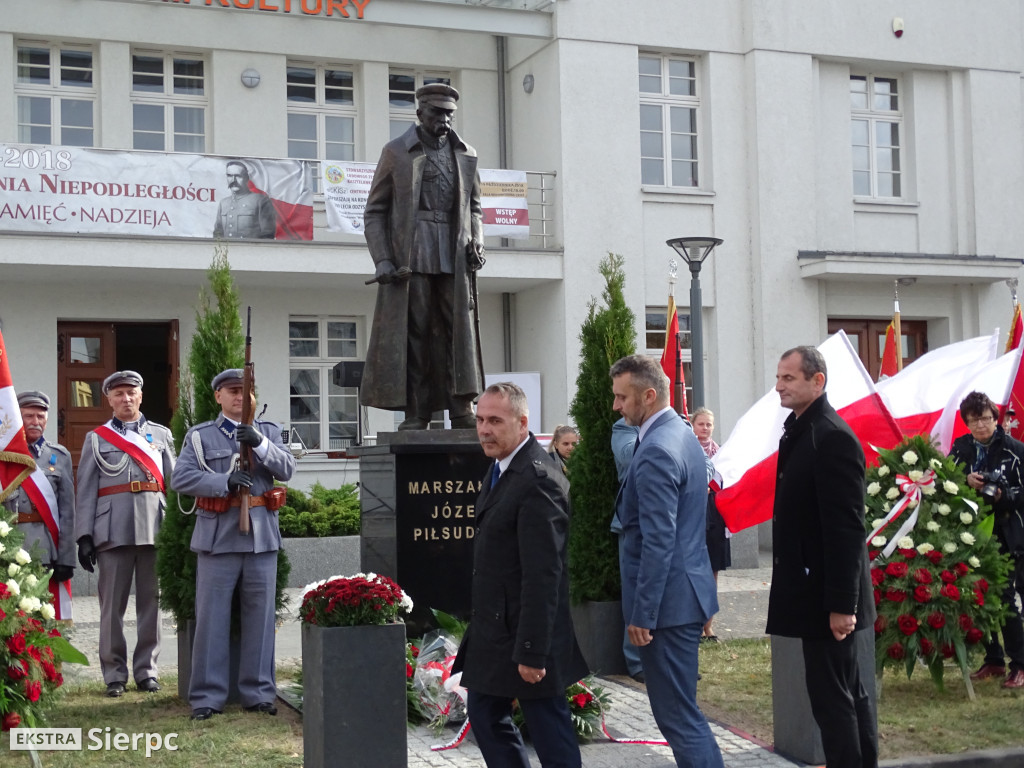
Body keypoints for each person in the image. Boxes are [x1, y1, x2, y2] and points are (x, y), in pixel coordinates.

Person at [453, 382, 588, 768]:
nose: (484, 430)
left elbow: (544, 575)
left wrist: (532, 650)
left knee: (549, 728)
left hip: (526, 634)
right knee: (485, 713)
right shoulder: (500, 469)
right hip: (495, 630)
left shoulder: (538, 481)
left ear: (522, 422)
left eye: (495, 420)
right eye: (480, 420)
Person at [610, 355, 723, 768]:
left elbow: (660, 540)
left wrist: (644, 613)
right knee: (681, 712)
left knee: (678, 715)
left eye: (623, 397)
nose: (617, 406)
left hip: (667, 607)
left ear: (649, 394)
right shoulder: (679, 432)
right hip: (683, 595)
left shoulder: (658, 447)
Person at [766, 346, 878, 768]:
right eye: (778, 378)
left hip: (828, 599)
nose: (779, 386)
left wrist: (841, 605)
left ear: (818, 381)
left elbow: (846, 529)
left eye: (789, 378)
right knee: (844, 694)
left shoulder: (831, 437)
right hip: (814, 593)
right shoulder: (800, 430)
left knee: (837, 702)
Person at [170, 369, 296, 720]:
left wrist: (259, 442)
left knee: (260, 618)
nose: (240, 397)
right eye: (233, 391)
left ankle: (258, 692)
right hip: (218, 538)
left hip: (261, 538)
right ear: (218, 397)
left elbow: (287, 468)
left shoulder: (268, 431)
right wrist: (222, 481)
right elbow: (180, 477)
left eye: (247, 390)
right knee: (211, 620)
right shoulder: (201, 436)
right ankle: (207, 697)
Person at [361, 83, 485, 430]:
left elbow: (475, 207)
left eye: (449, 114)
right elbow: (374, 211)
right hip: (411, 255)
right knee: (414, 333)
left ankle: (462, 407)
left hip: (453, 253)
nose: (444, 120)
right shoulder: (396, 152)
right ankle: (418, 411)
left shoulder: (466, 153)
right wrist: (383, 259)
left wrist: (477, 240)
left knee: (456, 330)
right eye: (437, 113)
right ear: (420, 114)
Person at [75, 371, 175, 697]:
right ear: (109, 399)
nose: (126, 399)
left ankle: (147, 670)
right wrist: (84, 536)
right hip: (112, 530)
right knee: (110, 609)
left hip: (154, 529)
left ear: (141, 396)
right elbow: (87, 490)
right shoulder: (96, 438)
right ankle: (114, 673)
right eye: (118, 394)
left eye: (131, 392)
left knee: (152, 604)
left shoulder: (160, 436)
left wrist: (177, 530)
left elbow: (173, 486)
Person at [949, 391, 1024, 689]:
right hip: (970, 533)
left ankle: (1019, 663)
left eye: (985, 419)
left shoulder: (1015, 449)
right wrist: (963, 480)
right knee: (978, 596)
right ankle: (992, 659)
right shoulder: (961, 448)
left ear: (995, 418)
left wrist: (1006, 495)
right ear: (966, 423)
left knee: (1005, 598)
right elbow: (945, 481)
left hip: (1006, 533)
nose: (980, 425)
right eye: (973, 420)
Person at [2, 391, 75, 617]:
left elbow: (68, 512)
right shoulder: (5, 456)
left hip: (45, 548)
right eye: (29, 416)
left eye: (41, 417)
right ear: (18, 419)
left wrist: (67, 557)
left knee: (43, 613)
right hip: (8, 547)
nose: (36, 422)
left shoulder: (59, 456)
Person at [610, 416, 644, 682]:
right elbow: (629, 458)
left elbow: (700, 463)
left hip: (668, 522)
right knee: (635, 590)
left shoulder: (678, 425)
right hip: (633, 524)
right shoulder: (624, 427)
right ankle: (636, 662)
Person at [692, 406, 730, 642]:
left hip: (716, 515)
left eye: (709, 425)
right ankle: (694, 625)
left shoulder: (721, 452)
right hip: (695, 514)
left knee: (713, 571)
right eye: (701, 424)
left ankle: (709, 626)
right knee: (695, 571)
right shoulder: (687, 449)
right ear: (692, 424)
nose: (705, 429)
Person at [212, 160, 277, 239]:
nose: (233, 180)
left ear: (246, 178)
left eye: (238, 176)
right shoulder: (223, 203)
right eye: (229, 176)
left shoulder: (261, 200)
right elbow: (218, 233)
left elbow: (268, 234)